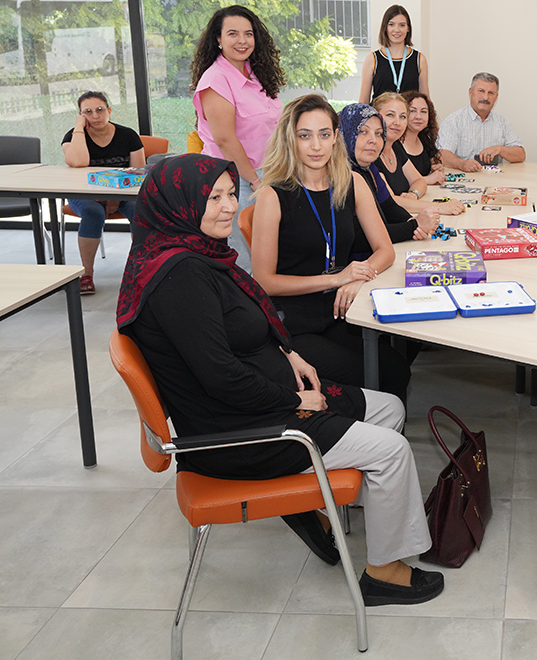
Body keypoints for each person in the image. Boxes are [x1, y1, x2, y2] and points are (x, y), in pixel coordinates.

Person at [116, 155, 443, 604]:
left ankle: (323, 507)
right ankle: (384, 573)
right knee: (392, 450)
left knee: (389, 407)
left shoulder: (198, 254)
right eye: (213, 198)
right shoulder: (181, 278)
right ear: (180, 205)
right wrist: (294, 401)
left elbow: (240, 327)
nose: (229, 206)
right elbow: (220, 378)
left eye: (230, 194)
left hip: (255, 401)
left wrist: (289, 354)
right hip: (237, 432)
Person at [251, 95, 413, 401]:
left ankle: (381, 427)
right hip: (293, 321)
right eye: (305, 136)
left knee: (395, 369)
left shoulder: (352, 182)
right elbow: (264, 281)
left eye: (324, 135)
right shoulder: (272, 195)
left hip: (337, 311)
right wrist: (338, 278)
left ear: (336, 137)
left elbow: (385, 250)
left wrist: (358, 276)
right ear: (290, 139)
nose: (316, 146)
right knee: (368, 374)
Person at [190, 4, 285, 271]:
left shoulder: (256, 74)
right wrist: (255, 182)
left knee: (267, 251)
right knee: (243, 257)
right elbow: (225, 141)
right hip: (234, 179)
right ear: (218, 39)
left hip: (266, 174)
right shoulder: (215, 80)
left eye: (248, 34)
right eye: (232, 34)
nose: (242, 40)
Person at [60, 90, 146, 295]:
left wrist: (114, 198)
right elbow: (78, 162)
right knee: (93, 212)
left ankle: (141, 270)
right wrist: (79, 129)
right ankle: (86, 274)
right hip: (84, 194)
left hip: (122, 193)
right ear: (81, 115)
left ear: (109, 111)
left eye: (100, 110)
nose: (95, 116)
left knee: (141, 211)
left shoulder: (128, 135)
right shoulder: (73, 136)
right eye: (87, 112)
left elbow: (138, 174)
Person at [339, 103, 439, 245]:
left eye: (378, 133)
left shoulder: (370, 169)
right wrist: (414, 226)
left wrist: (411, 222)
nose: (373, 140)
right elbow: (359, 237)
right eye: (363, 131)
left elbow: (388, 206)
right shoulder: (339, 177)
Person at [372, 92, 463, 217]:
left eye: (403, 116)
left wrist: (413, 194)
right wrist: (440, 207)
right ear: (375, 118)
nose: (397, 122)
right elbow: (391, 201)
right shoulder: (371, 154)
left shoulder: (395, 147)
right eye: (390, 115)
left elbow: (419, 180)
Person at [436, 73, 526, 172]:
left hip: (495, 179)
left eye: (491, 93)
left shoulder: (502, 122)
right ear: (470, 92)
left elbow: (520, 155)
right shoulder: (453, 121)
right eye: (481, 91)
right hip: (465, 178)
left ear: (496, 97)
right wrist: (462, 164)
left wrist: (499, 149)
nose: (485, 97)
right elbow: (441, 155)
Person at [358, 4, 429, 103]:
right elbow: (363, 101)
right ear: (385, 27)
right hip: (380, 113)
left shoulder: (419, 59)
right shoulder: (372, 59)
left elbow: (425, 99)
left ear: (408, 28)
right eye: (391, 24)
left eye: (402, 25)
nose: (397, 30)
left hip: (409, 113)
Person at [400, 90, 444, 185]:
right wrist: (426, 179)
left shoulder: (425, 140)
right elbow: (395, 183)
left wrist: (436, 168)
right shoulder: (394, 144)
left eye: (423, 111)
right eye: (412, 111)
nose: (418, 116)